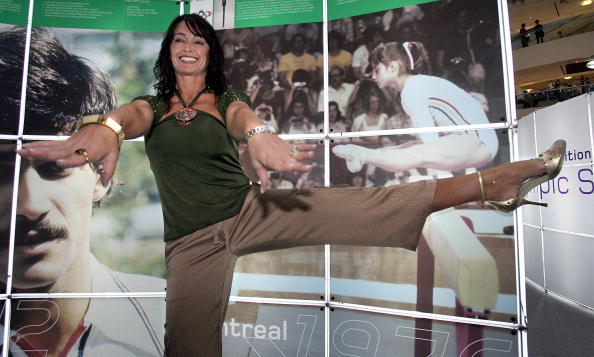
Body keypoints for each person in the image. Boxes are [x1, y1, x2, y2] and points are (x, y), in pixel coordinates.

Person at [17, 14, 566, 356]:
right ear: (169, 53)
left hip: (251, 212)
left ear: (209, 54)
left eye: (198, 40)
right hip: (190, 244)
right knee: (187, 347)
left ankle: (492, 182)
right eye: (179, 39)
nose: (188, 46)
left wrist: (258, 136)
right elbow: (130, 117)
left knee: (367, 204)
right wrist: (109, 128)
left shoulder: (224, 101)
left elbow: (243, 120)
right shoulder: (152, 107)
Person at [0, 27, 164, 356]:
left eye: (57, 166)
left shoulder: (175, 318)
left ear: (102, 177)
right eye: (1, 173)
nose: (28, 205)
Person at [333, 41, 499, 175]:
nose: (373, 76)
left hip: (479, 141)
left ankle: (364, 155)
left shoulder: (412, 89)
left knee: (418, 152)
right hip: (471, 139)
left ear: (393, 67)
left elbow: (430, 144)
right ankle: (362, 155)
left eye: (377, 70)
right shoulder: (416, 84)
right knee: (410, 147)